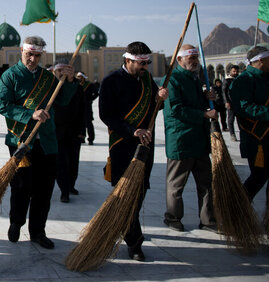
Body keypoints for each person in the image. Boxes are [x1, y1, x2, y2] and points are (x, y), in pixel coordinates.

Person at [0, 36, 77, 249]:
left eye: (37, 55)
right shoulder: (10, 76)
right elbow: (4, 106)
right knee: (21, 186)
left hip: (47, 142)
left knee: (44, 189)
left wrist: (68, 82)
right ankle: (16, 222)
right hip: (21, 140)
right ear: (21, 50)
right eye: (29, 54)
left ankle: (38, 231)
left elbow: (62, 100)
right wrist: (30, 114)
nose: (32, 59)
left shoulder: (47, 78)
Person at [99, 41, 168, 261]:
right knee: (124, 193)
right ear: (128, 60)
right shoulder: (111, 81)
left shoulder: (147, 80)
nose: (145, 66)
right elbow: (106, 115)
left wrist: (161, 98)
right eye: (141, 62)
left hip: (144, 144)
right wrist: (131, 130)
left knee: (140, 191)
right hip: (122, 144)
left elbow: (156, 107)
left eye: (147, 62)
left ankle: (126, 229)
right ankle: (135, 242)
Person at [162, 45, 217, 233]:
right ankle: (173, 217)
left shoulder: (194, 78)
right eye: (190, 57)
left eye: (196, 57)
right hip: (181, 140)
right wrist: (203, 114)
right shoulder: (172, 80)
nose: (194, 61)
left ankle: (208, 220)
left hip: (199, 140)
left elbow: (196, 103)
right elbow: (176, 109)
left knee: (206, 184)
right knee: (176, 185)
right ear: (179, 60)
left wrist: (206, 97)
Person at [229, 46, 269, 200]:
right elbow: (246, 108)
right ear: (260, 60)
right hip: (256, 139)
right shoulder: (242, 81)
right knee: (259, 176)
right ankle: (239, 206)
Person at [53, 60, 85, 203]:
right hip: (57, 132)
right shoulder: (51, 87)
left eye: (64, 70)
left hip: (74, 131)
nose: (61, 73)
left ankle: (71, 185)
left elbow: (84, 110)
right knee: (60, 163)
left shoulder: (77, 88)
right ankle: (64, 191)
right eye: (59, 71)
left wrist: (82, 130)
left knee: (73, 162)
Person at [77, 72, 99, 145]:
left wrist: (90, 100)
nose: (78, 78)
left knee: (89, 123)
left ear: (83, 77)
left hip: (87, 107)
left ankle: (91, 139)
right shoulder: (76, 85)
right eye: (77, 76)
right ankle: (82, 138)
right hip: (79, 107)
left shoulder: (89, 85)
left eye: (80, 77)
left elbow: (96, 94)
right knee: (80, 123)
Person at [223, 65, 240, 141]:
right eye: (234, 71)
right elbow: (224, 92)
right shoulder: (227, 80)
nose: (235, 73)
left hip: (239, 103)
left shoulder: (239, 79)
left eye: (236, 71)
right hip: (231, 102)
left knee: (240, 119)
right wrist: (226, 102)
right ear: (230, 71)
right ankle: (232, 134)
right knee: (231, 119)